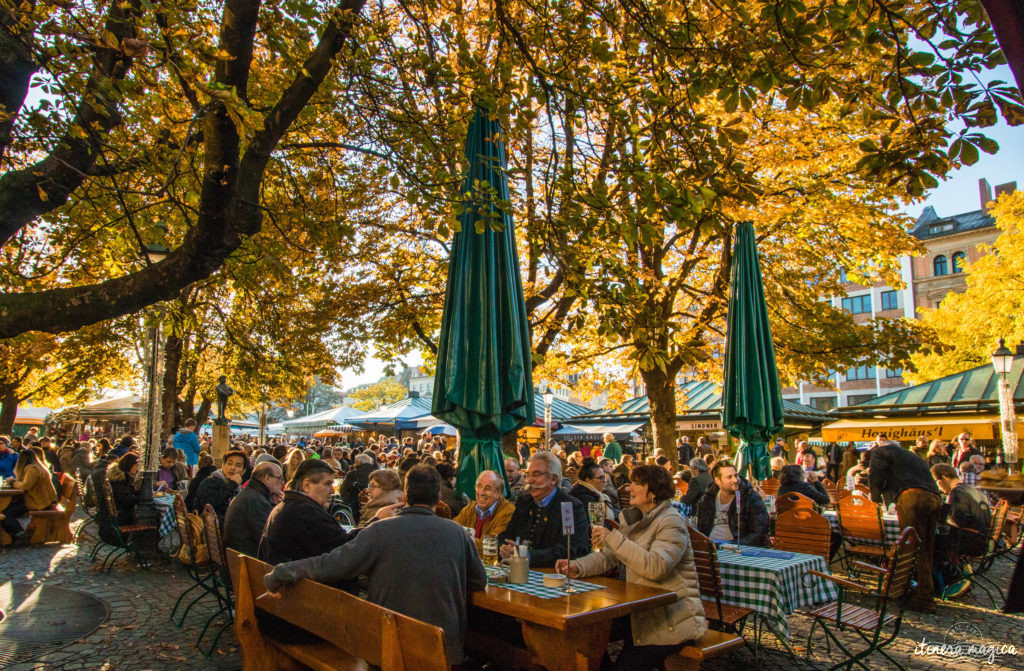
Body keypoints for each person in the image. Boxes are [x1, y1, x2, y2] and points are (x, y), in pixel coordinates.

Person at [262, 465, 487, 663]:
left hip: (388, 643)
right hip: (445, 645)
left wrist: (283, 571)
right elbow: (479, 580)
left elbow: (330, 564)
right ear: (439, 498)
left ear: (405, 496)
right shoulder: (458, 533)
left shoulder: (380, 531)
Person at [556, 465, 707, 670]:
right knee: (584, 641)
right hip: (639, 615)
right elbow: (609, 558)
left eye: (637, 483)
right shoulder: (636, 518)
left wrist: (614, 538)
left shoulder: (671, 521)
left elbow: (656, 567)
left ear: (652, 492)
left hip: (670, 619)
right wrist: (577, 567)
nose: (629, 488)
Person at [868, 441, 944, 611]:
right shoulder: (910, 455)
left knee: (911, 548)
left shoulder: (880, 452)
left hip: (912, 498)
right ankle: (925, 593)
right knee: (926, 549)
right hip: (934, 498)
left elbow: (876, 476)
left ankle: (919, 598)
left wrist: (875, 497)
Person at [498, 452, 591, 567]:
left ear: (553, 478)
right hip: (520, 574)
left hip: (554, 577)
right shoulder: (525, 501)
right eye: (527, 475)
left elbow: (572, 549)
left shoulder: (569, 506)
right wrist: (503, 548)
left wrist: (527, 555)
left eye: (536, 475)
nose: (529, 481)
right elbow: (506, 536)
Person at [259, 460, 358, 564]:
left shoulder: (290, 505)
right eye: (327, 484)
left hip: (285, 575)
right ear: (307, 485)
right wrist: (374, 524)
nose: (332, 491)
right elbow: (345, 549)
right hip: (298, 579)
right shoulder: (305, 513)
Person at [930, 463, 992, 598]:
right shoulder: (972, 489)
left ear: (944, 477)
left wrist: (942, 517)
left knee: (927, 543)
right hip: (980, 539)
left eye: (937, 481)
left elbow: (958, 522)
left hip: (969, 541)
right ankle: (949, 581)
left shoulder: (956, 492)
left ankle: (943, 584)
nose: (938, 485)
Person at [695, 460, 769, 547]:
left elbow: (759, 532)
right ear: (718, 481)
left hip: (738, 548)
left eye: (736, 475)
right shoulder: (707, 499)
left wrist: (732, 545)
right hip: (710, 548)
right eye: (729, 477)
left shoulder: (750, 497)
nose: (735, 480)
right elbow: (700, 528)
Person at [224, 461, 285, 557]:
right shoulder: (255, 501)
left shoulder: (251, 494)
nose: (282, 482)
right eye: (280, 478)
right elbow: (269, 540)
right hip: (249, 562)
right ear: (268, 478)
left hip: (240, 557)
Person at [1, 446, 58, 545]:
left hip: (38, 501)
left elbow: (25, 486)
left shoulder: (32, 470)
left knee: (5, 513)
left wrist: (12, 482)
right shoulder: (36, 467)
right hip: (40, 499)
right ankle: (17, 533)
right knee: (6, 509)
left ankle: (19, 534)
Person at [454, 470, 515, 540]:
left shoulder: (508, 512)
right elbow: (453, 530)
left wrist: (462, 541)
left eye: (488, 488)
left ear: (498, 493)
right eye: (479, 486)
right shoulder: (470, 508)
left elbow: (492, 543)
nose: (481, 492)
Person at [192, 450, 246, 522]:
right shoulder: (210, 482)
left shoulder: (239, 488)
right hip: (213, 528)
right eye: (229, 464)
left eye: (238, 465)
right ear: (223, 465)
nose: (233, 468)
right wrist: (232, 484)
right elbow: (209, 504)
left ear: (243, 471)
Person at [106, 453, 143, 524]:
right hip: (122, 516)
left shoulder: (122, 476)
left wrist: (140, 492)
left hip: (120, 512)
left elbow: (129, 493)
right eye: (136, 465)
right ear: (129, 465)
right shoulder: (119, 479)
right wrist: (142, 497)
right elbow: (125, 500)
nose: (137, 468)